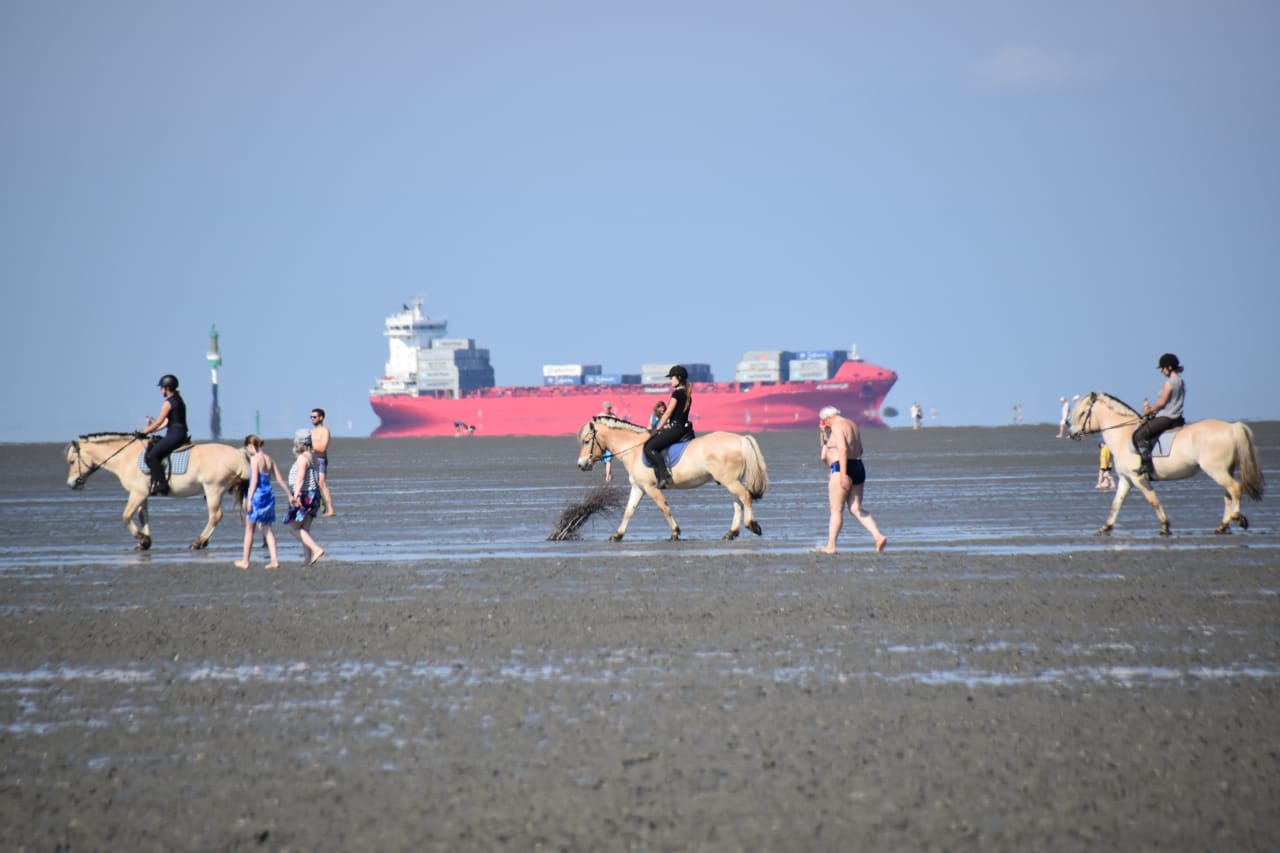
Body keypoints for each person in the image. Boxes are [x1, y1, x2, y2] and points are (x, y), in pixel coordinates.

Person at [818, 405, 887, 554]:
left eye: (824, 421)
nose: (825, 424)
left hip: (843, 467)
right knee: (856, 508)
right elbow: (860, 450)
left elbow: (842, 449)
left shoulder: (836, 425)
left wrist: (843, 474)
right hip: (858, 466)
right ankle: (878, 536)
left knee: (836, 510)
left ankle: (831, 546)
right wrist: (823, 432)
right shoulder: (852, 424)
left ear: (828, 418)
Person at [234, 435, 297, 570]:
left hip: (258, 496)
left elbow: (254, 481)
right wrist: (289, 495)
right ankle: (274, 560)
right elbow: (280, 479)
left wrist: (249, 499)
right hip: (269, 496)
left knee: (249, 529)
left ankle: (245, 561)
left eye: (248, 448)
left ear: (251, 446)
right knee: (268, 529)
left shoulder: (255, 459)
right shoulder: (269, 459)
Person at [1132, 353, 1186, 478]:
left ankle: (1147, 464)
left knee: (1140, 434)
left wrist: (1149, 411)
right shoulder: (1180, 380)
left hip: (1167, 417)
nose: (1162, 371)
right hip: (1177, 416)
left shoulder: (1169, 383)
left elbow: (1162, 403)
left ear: (1169, 368)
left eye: (1163, 368)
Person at [136, 374, 189, 495]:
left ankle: (162, 484)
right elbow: (165, 423)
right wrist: (151, 427)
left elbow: (159, 422)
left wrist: (142, 432)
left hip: (174, 435)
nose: (161, 390)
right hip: (179, 433)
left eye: (161, 388)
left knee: (152, 456)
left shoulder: (168, 403)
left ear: (166, 388)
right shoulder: (179, 400)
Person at [644, 365, 695, 489]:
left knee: (649, 447)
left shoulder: (677, 393)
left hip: (676, 429)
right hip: (683, 428)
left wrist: (657, 430)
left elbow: (667, 413)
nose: (670, 380)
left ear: (679, 378)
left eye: (672, 377)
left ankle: (664, 475)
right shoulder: (687, 394)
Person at [285, 429, 326, 566]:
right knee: (305, 529)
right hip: (313, 494)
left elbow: (300, 479)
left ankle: (316, 549)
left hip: (304, 495)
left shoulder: (303, 458)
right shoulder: (313, 456)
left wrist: (295, 496)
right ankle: (308, 559)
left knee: (293, 527)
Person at [308, 408, 336, 517]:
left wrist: (310, 448)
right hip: (311, 460)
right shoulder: (311, 432)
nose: (312, 419)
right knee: (310, 485)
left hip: (320, 460)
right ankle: (314, 506)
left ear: (321, 418)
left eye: (314, 417)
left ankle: (331, 509)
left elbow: (323, 448)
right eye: (311, 417)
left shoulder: (325, 431)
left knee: (322, 484)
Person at [599, 402, 616, 482]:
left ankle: (607, 478)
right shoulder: (600, 416)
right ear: (604, 408)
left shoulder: (613, 417)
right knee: (604, 460)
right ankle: (609, 475)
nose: (609, 409)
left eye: (610, 408)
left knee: (608, 460)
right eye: (607, 408)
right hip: (602, 441)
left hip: (610, 441)